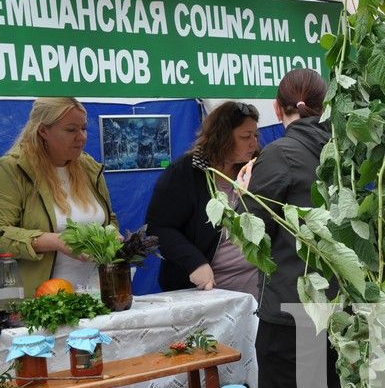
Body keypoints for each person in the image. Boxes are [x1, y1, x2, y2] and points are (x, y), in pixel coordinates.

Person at [243, 69, 352, 388]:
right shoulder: (340, 152)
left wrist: (245, 190)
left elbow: (251, 236)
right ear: (325, 106)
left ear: (277, 108)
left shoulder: (280, 154)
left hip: (289, 306)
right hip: (331, 303)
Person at [0, 97, 117, 296]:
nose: (82, 137)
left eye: (84, 128)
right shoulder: (12, 169)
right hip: (42, 300)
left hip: (97, 293)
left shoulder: (89, 167)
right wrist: (56, 241)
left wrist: (112, 234)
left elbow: (109, 219)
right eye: (71, 130)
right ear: (43, 131)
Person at [146, 101, 259, 297]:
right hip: (207, 294)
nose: (254, 143)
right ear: (222, 137)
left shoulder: (256, 169)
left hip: (254, 291)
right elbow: (159, 228)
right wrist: (195, 262)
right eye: (245, 136)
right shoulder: (184, 172)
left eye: (255, 135)